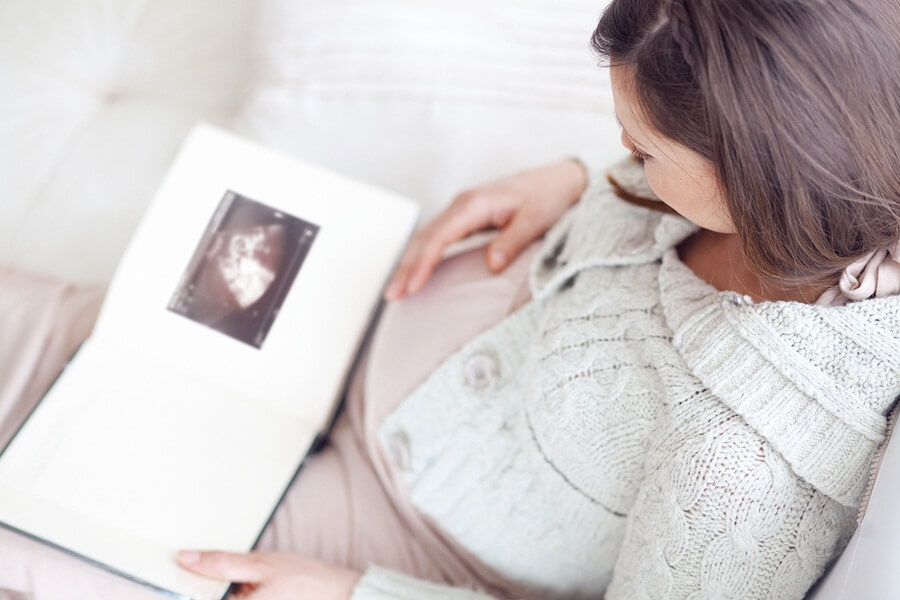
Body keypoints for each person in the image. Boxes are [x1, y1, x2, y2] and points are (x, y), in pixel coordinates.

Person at [1, 0, 899, 598]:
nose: (621, 153)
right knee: (40, 328)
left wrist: (354, 595)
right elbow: (652, 177)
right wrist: (578, 178)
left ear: (764, 177)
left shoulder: (748, 462)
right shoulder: (837, 172)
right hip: (355, 310)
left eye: (645, 149)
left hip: (390, 520)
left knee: (45, 528)